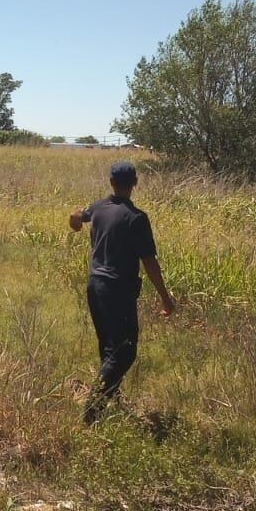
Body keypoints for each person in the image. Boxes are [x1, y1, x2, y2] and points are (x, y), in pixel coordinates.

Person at [68, 160, 175, 423]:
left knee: (109, 347)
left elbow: (77, 219)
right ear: (135, 183)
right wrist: (165, 297)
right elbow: (149, 262)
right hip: (118, 290)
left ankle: (107, 398)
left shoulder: (98, 208)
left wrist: (75, 219)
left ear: (111, 182)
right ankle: (93, 408)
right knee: (126, 351)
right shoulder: (137, 218)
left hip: (95, 286)